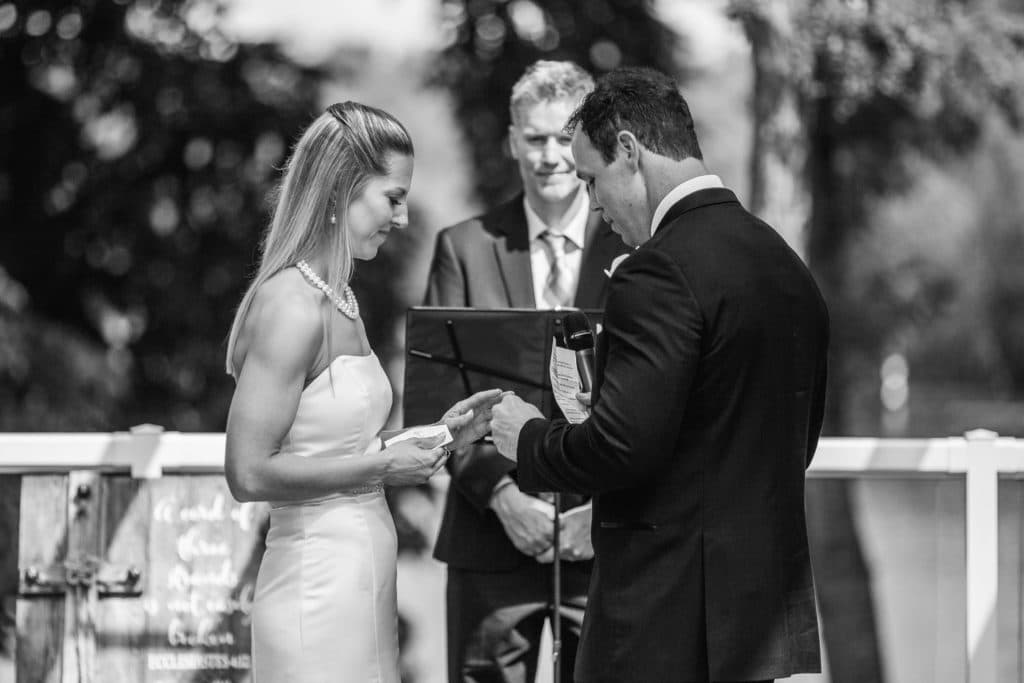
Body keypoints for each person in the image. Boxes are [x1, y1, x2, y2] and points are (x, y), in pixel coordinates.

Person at [490, 67, 829, 683]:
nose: (593, 205)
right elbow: (792, 440)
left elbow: (622, 449)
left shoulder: (656, 272)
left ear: (629, 151)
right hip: (756, 614)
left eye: (592, 180)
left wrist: (529, 439)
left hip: (663, 619)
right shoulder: (784, 264)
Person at [223, 101, 500, 683]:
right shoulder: (292, 306)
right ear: (340, 189)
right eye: (392, 198)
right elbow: (248, 473)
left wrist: (443, 433)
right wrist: (381, 465)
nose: (401, 218)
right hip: (313, 589)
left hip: (360, 584)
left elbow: (342, 442)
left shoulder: (342, 298)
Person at [424, 60, 630, 683]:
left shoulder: (633, 248)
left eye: (563, 139)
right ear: (513, 140)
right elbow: (441, 393)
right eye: (533, 138)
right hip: (490, 540)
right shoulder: (463, 246)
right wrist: (502, 496)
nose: (549, 156)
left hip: (604, 541)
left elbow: (653, 393)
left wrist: (601, 511)